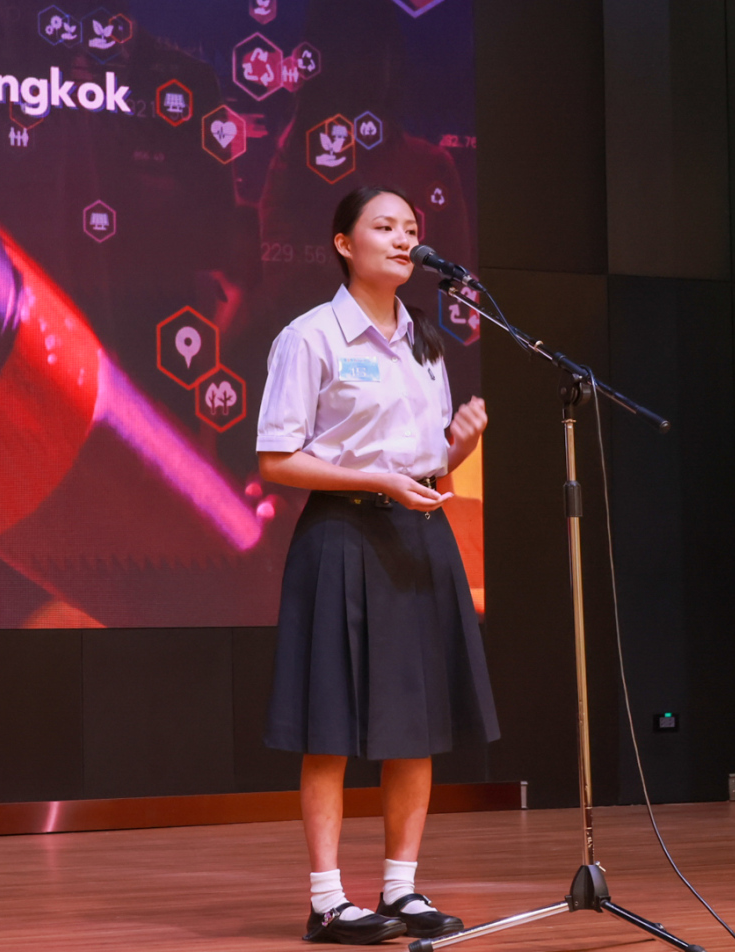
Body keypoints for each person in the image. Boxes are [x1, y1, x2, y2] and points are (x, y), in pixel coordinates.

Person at [256, 187, 498, 945]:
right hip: (342, 534)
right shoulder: (311, 337)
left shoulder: (426, 339)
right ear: (343, 243)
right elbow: (276, 459)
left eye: (411, 228)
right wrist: (377, 480)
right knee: (329, 723)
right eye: (384, 226)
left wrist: (457, 446)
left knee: (413, 724)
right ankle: (328, 901)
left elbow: (429, 463)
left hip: (417, 536)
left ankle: (401, 888)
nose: (402, 239)